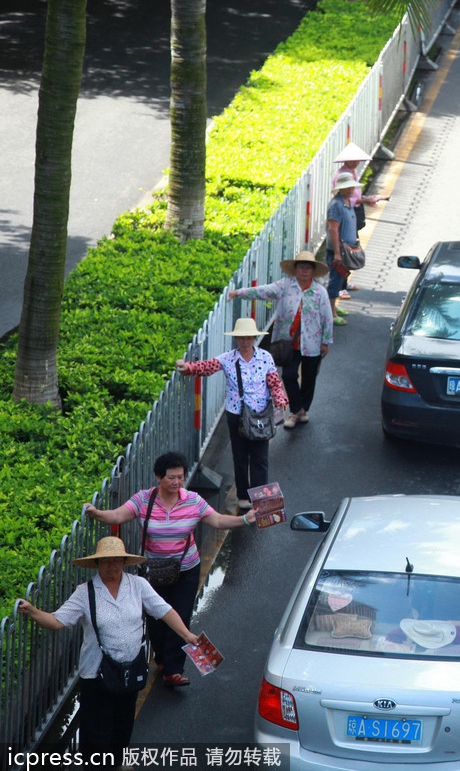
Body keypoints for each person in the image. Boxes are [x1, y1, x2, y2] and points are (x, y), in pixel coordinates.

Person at [17, 536, 199, 769]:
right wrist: (32, 611)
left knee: (123, 724)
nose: (112, 566)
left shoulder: (138, 585)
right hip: (96, 673)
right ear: (97, 564)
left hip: (130, 670)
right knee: (96, 731)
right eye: (106, 561)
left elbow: (164, 611)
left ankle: (117, 762)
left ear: (124, 562)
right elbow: (56, 621)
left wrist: (187, 635)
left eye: (116, 561)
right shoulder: (85, 593)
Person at [85, 451, 257, 688]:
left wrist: (244, 520)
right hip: (153, 571)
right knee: (156, 617)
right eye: (171, 478)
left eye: (180, 477)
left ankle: (174, 669)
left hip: (186, 569)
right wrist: (96, 514)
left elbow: (217, 520)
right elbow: (117, 515)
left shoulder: (193, 500)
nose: (177, 482)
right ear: (158, 477)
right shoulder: (144, 500)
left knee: (181, 616)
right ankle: (163, 658)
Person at [176, 318, 289, 507]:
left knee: (260, 458)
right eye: (241, 338)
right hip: (236, 415)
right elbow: (207, 366)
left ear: (254, 338)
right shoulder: (228, 358)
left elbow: (274, 382)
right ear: (236, 339)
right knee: (241, 456)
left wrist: (280, 398)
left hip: (261, 414)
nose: (245, 342)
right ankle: (243, 496)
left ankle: (261, 501)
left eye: (248, 338)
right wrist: (189, 368)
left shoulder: (265, 357)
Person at [228, 250, 333, 430]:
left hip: (312, 343)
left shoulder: (319, 292)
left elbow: (327, 318)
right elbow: (264, 291)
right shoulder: (285, 286)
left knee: (309, 378)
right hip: (288, 343)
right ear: (296, 269)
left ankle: (303, 409)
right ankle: (297, 410)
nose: (305, 271)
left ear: (313, 271)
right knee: (289, 375)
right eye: (301, 267)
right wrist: (238, 293)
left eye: (308, 268)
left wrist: (326, 342)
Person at [332, 142, 389, 301]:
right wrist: (366, 200)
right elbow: (348, 199)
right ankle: (340, 287)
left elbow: (355, 197)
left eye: (358, 160)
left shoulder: (352, 173)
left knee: (351, 249)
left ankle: (344, 282)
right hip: (346, 216)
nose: (357, 162)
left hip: (352, 214)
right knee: (344, 252)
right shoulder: (343, 176)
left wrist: (364, 200)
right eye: (354, 160)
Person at [326, 171, 363, 325]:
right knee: (335, 281)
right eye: (346, 187)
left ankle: (332, 308)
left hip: (346, 249)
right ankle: (331, 313)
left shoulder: (348, 203)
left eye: (351, 187)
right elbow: (333, 229)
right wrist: (336, 253)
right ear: (340, 189)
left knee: (340, 279)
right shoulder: (336, 205)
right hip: (338, 251)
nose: (350, 190)